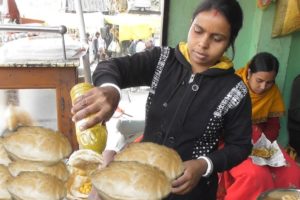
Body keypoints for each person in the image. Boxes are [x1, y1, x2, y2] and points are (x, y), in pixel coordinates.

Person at [71, 0, 252, 199]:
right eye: (198, 31)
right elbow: (110, 67)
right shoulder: (163, 60)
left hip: (191, 190)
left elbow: (240, 146)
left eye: (216, 38)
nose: (203, 43)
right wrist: (110, 89)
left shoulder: (234, 90)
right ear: (191, 24)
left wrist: (204, 164)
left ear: (229, 41)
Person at [217, 52, 300, 200]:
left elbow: (274, 127)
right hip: (230, 141)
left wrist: (261, 145)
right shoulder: (232, 87)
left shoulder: (272, 92)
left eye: (269, 82)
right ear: (249, 73)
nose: (264, 87)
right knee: (256, 176)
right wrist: (244, 144)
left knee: (292, 171)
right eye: (259, 80)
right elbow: (216, 124)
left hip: (259, 142)